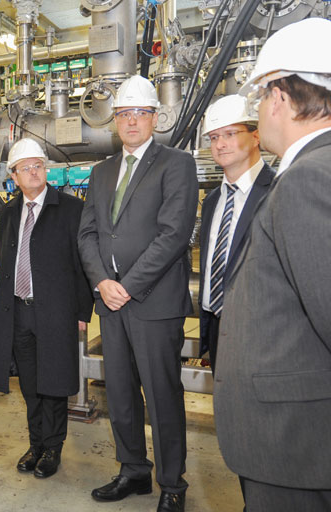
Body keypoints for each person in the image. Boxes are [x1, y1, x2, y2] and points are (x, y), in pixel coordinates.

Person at [214, 17, 331, 511]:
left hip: (291, 443)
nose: (260, 110)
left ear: (280, 97)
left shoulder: (308, 180)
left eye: (261, 98)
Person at [78, 75, 198, 512]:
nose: (131, 122)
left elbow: (173, 235)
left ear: (154, 118)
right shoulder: (101, 171)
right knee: (122, 392)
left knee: (162, 394)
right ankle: (133, 470)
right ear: (116, 122)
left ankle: (172, 484)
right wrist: (101, 283)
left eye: (139, 114)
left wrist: (127, 286)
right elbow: (87, 233)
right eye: (124, 114)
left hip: (153, 304)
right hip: (109, 304)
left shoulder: (177, 164)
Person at [0, 138, 93, 479]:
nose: (33, 172)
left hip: (57, 311)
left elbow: (83, 265)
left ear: (45, 170)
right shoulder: (7, 213)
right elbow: (3, 261)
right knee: (31, 384)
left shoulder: (70, 209)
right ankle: (35, 443)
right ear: (14, 177)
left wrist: (82, 312)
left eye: (38, 166)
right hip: (20, 311)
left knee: (54, 383)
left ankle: (53, 447)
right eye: (25, 168)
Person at [198, 95, 274, 374]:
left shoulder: (278, 191)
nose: (220, 144)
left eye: (230, 133)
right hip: (219, 329)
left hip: (263, 332)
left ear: (256, 136)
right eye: (214, 137)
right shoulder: (212, 202)